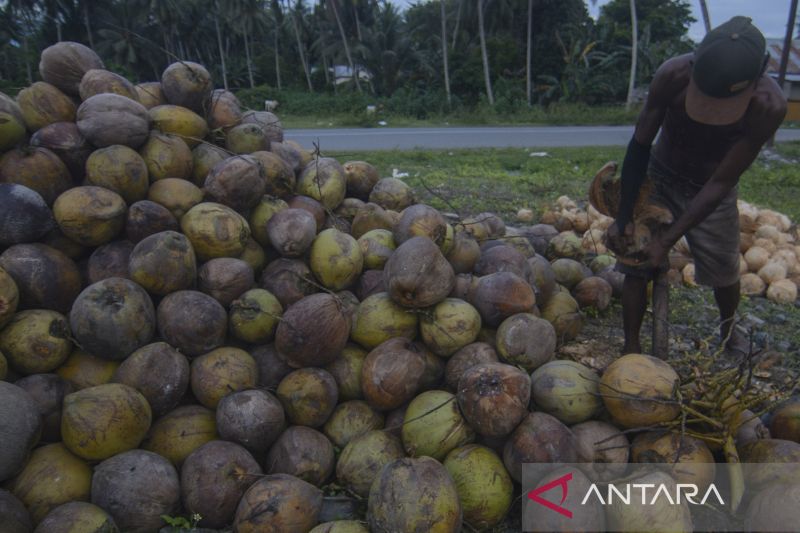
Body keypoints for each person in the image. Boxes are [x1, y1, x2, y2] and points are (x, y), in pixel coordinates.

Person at [607, 16, 787, 357]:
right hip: (659, 173)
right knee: (636, 261)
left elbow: (721, 181)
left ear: (762, 69)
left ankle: (728, 331)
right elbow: (640, 144)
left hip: (709, 190)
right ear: (695, 58)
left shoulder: (769, 106)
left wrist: (670, 240)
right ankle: (630, 348)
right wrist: (626, 213)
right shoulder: (672, 76)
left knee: (724, 270)